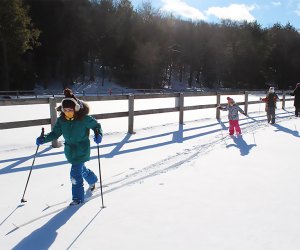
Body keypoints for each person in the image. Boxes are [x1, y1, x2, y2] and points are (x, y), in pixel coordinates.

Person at [36, 88, 103, 205]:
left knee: (75, 174)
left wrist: (99, 134)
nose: (68, 111)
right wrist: (44, 138)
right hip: (70, 151)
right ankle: (92, 180)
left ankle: (77, 198)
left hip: (82, 150)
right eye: (65, 109)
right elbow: (55, 133)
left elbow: (96, 126)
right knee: (81, 169)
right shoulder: (62, 120)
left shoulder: (84, 119)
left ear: (76, 108)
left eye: (70, 109)